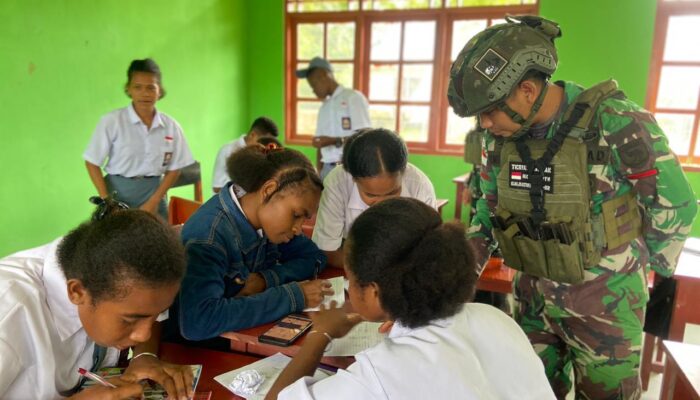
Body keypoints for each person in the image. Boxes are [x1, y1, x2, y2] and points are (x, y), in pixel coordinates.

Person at [447, 15, 697, 399]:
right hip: (532, 301)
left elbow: (675, 204)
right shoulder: (496, 141)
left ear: (527, 90)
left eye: (490, 111)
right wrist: (458, 279)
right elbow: (488, 209)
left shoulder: (614, 122)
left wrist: (636, 276)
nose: (484, 123)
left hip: (606, 310)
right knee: (529, 393)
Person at [266, 198, 556, 400]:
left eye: (351, 280)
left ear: (376, 292)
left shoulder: (382, 373)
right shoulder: (496, 319)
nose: (348, 289)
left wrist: (321, 332)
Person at [0, 198, 193, 400]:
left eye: (153, 317)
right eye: (130, 320)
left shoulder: (100, 272)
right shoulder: (9, 314)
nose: (144, 335)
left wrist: (144, 355)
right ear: (77, 292)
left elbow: (149, 306)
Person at [167, 145, 333, 347]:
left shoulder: (270, 220)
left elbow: (314, 257)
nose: (299, 228)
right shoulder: (209, 237)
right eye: (296, 215)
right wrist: (293, 296)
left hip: (242, 336)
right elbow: (198, 322)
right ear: (269, 190)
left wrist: (266, 280)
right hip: (197, 350)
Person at [84, 58, 194, 220]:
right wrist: (108, 202)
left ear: (160, 91)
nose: (145, 93)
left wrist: (154, 201)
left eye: (151, 87)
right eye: (138, 87)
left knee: (157, 241)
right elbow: (92, 162)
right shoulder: (112, 121)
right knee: (115, 242)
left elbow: (175, 168)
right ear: (128, 89)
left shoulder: (171, 126)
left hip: (154, 193)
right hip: (116, 194)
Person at [311, 128, 436, 268]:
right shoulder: (337, 184)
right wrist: (373, 271)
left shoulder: (420, 187)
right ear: (353, 178)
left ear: (404, 172)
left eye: (392, 193)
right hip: (351, 252)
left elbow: (429, 250)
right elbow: (328, 250)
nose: (382, 204)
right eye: (371, 195)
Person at [296, 57, 371, 180]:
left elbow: (365, 135)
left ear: (324, 75)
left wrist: (334, 141)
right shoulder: (324, 108)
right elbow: (320, 144)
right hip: (327, 169)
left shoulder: (352, 98)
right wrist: (318, 172)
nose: (313, 91)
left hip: (350, 169)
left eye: (314, 85)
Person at [212, 116, 280, 193]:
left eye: (270, 141)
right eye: (264, 140)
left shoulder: (264, 152)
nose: (266, 145)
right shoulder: (227, 150)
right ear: (252, 135)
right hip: (228, 203)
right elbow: (217, 188)